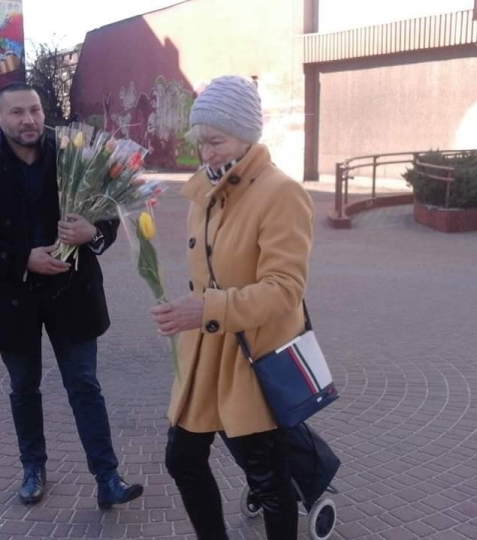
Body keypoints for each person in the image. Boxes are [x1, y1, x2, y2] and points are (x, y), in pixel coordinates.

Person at [0, 82, 143, 508]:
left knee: (84, 385)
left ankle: (107, 477)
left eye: (34, 110)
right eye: (17, 112)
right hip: (12, 296)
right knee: (24, 387)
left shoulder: (76, 156)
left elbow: (108, 210)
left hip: (72, 292)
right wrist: (21, 259)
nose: (29, 120)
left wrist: (94, 233)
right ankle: (33, 468)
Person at [151, 75, 315, 539]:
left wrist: (203, 309)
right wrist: (189, 310)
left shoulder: (280, 192)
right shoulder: (206, 189)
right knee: (182, 458)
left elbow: (285, 289)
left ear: (246, 137)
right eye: (199, 141)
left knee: (267, 478)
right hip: (206, 349)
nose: (205, 153)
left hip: (252, 353)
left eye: (215, 141)